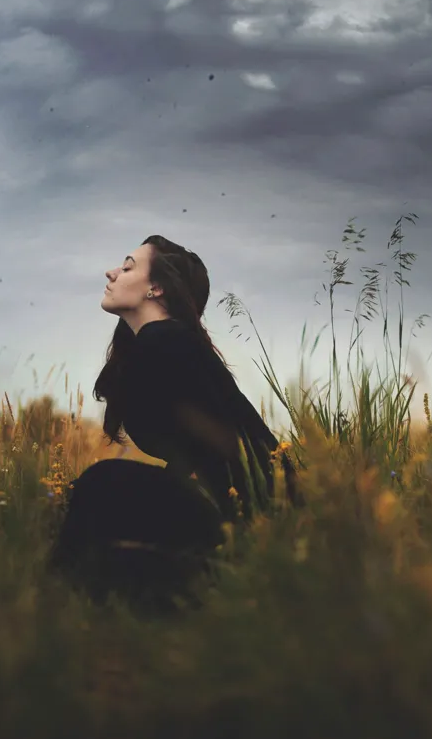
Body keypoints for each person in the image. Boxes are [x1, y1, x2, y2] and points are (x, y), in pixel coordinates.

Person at [46, 235, 300, 611]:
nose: (111, 272)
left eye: (128, 266)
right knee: (103, 487)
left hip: (249, 516)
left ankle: (64, 601)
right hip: (239, 513)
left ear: (156, 287)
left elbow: (228, 448)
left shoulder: (168, 344)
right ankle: (81, 598)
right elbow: (193, 450)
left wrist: (252, 532)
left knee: (103, 485)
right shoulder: (159, 346)